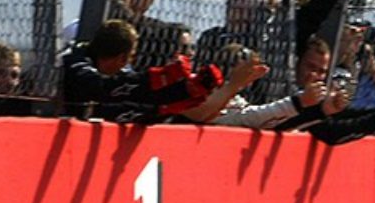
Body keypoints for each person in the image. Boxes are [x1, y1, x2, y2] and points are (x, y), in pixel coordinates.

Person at [61, 19, 265, 124]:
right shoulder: (76, 59)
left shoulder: (128, 76)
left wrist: (183, 91)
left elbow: (139, 100)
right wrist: (159, 78)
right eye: (185, 49)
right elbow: (99, 88)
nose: (190, 55)